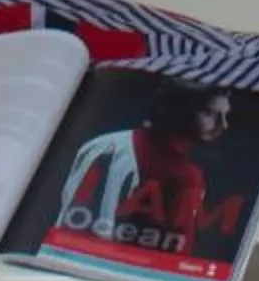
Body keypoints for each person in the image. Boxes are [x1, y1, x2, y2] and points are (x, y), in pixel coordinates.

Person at [59, 82, 232, 253]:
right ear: (180, 108)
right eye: (208, 113)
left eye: (225, 115)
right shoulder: (185, 176)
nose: (223, 125)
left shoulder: (104, 143)